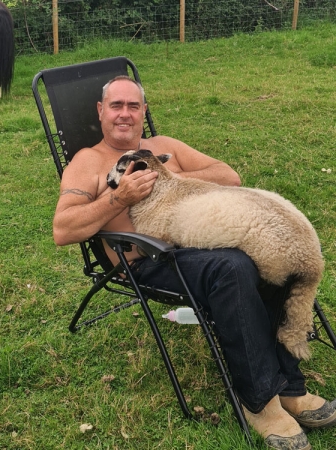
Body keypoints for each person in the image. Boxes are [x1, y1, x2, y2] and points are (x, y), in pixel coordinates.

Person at [53, 75, 336, 449]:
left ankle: (290, 390)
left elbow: (227, 176)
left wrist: (165, 177)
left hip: (198, 239)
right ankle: (259, 402)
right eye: (116, 106)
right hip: (148, 260)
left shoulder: (163, 147)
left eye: (133, 106)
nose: (125, 114)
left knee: (267, 258)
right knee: (233, 270)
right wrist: (119, 198)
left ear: (144, 111)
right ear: (100, 111)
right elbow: (63, 229)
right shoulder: (87, 161)